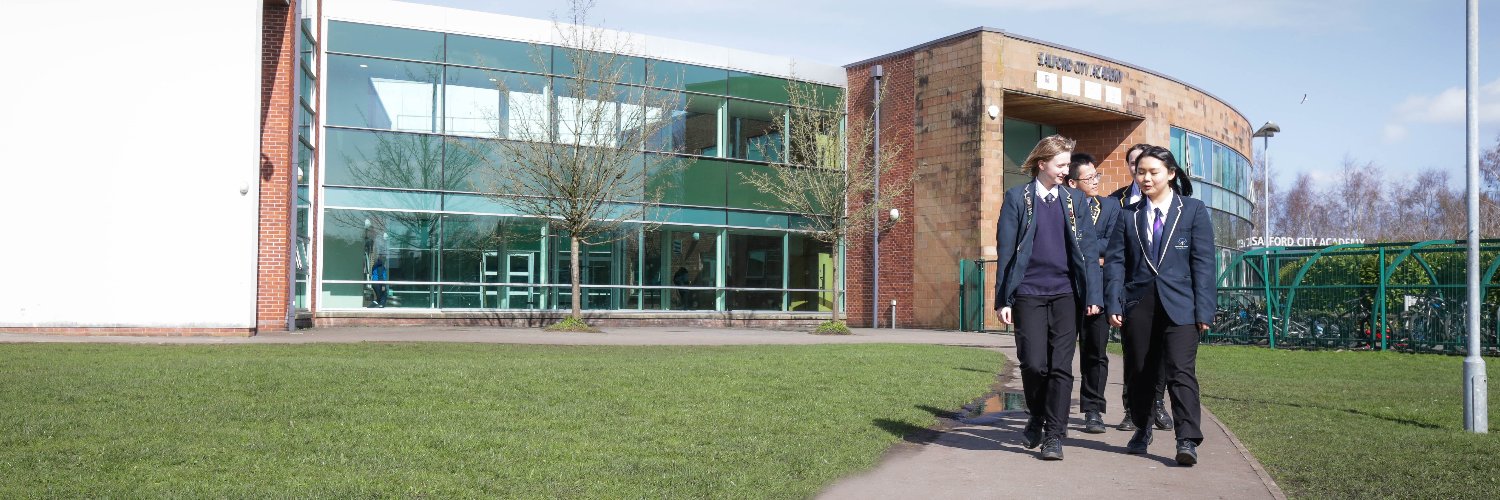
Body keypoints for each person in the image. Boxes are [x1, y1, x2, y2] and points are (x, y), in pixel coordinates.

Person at [1105, 145, 1216, 466]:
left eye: (1153, 172)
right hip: (1138, 305)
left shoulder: (1192, 210)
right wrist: (1114, 301)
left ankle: (1187, 439)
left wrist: (1204, 309)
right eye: (1140, 172)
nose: (1146, 178)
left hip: (1182, 306)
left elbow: (1203, 264)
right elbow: (1115, 263)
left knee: (1181, 371)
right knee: (1140, 371)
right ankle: (1141, 428)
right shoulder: (1127, 215)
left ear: (1170, 173)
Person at [994, 134, 1102, 461]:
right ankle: (1037, 415)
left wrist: (1093, 294)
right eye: (1060, 164)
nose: (1065, 170)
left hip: (1066, 294)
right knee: (1033, 363)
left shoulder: (1075, 201)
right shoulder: (1017, 199)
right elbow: (1006, 252)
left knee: (1060, 367)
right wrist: (1003, 300)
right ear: (1042, 164)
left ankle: (1054, 435)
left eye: (1067, 164)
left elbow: (1088, 250)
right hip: (1027, 293)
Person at [1108, 143, 1171, 433]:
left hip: (1167, 294)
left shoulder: (1175, 203)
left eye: (1145, 166)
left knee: (1162, 355)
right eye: (1135, 165)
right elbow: (1113, 250)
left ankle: (1157, 403)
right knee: (1134, 355)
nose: (1140, 172)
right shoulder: (1117, 202)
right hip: (1134, 294)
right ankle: (1132, 410)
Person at [1066, 153, 1118, 434]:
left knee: (1095, 353)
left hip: (1098, 290)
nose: (1096, 181)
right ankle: (1053, 405)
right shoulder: (1063, 206)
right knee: (1058, 353)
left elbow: (1113, 244)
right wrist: (1092, 253)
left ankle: (1093, 410)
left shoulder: (1110, 207)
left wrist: (1084, 248)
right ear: (1073, 182)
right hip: (1065, 288)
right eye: (1089, 178)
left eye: (1097, 176)